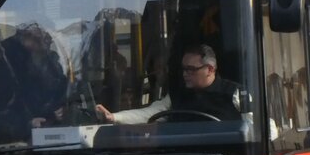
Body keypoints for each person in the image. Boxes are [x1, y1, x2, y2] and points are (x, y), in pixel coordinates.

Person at [96, 44, 240, 124]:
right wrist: (114, 117)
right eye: (183, 69)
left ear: (210, 69)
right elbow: (150, 114)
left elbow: (254, 128)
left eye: (190, 69)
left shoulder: (236, 94)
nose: (185, 74)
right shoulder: (178, 95)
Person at [0, 24, 68, 143]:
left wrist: (63, 110)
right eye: (35, 39)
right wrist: (27, 124)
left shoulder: (53, 65)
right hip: (16, 149)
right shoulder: (3, 72)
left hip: (58, 138)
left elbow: (62, 93)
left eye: (46, 39)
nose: (42, 45)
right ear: (23, 40)